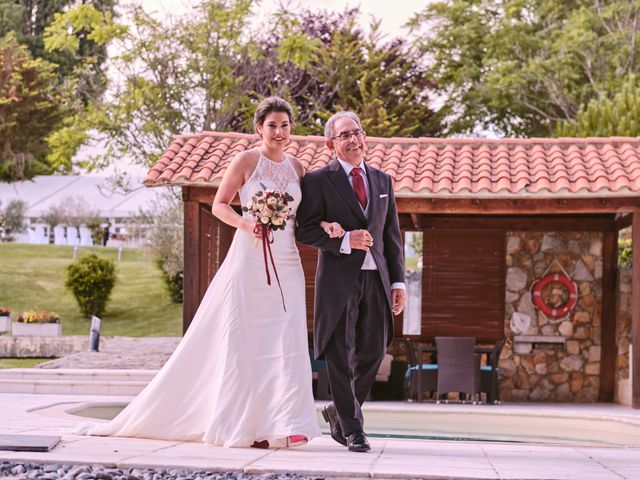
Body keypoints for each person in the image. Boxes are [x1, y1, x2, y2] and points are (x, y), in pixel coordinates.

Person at [74, 96, 336, 448]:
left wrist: (328, 224)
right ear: (259, 128)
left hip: (287, 259)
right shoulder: (246, 160)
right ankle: (243, 424)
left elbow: (304, 217)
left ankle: (287, 422)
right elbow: (219, 204)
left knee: (287, 338)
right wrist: (247, 223)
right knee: (247, 338)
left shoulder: (298, 168)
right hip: (251, 255)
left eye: (285, 125)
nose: (279, 131)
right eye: (272, 125)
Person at [295, 111, 405, 453]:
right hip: (339, 280)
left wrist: (398, 282)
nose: (354, 139)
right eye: (345, 135)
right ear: (331, 144)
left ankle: (337, 412)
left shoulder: (383, 181)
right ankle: (354, 429)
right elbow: (305, 229)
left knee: (374, 351)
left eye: (357, 132)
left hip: (377, 278)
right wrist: (344, 242)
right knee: (340, 355)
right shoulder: (317, 181)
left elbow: (392, 236)